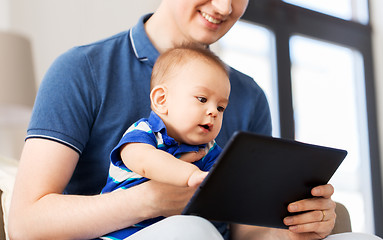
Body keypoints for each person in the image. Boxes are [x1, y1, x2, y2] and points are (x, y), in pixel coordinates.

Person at [7, 0, 381, 239]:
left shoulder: (247, 96)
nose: (224, 6)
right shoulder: (82, 70)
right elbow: (25, 223)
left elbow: (247, 233)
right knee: (192, 231)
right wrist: (150, 200)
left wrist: (301, 225)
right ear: (160, 99)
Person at [100, 45, 230, 239]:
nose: (213, 112)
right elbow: (144, 161)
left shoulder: (208, 149)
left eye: (220, 108)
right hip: (121, 234)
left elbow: (227, 184)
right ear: (162, 100)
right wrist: (191, 175)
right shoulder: (146, 132)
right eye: (202, 99)